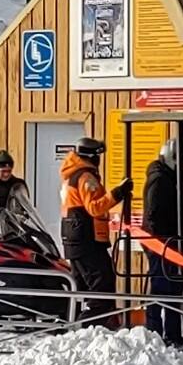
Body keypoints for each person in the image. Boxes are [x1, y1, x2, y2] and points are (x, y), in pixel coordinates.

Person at [138, 134, 183, 349]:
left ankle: (172, 334)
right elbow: (153, 214)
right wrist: (162, 241)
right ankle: (155, 333)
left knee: (174, 286)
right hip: (162, 242)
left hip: (171, 240)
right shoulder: (160, 179)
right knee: (162, 286)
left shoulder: (169, 177)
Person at [56, 137, 118, 325]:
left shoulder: (72, 175)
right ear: (92, 156)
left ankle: (71, 323)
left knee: (80, 285)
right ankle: (89, 325)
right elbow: (94, 208)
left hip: (75, 236)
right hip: (87, 238)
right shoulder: (85, 177)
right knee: (102, 285)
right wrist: (117, 194)